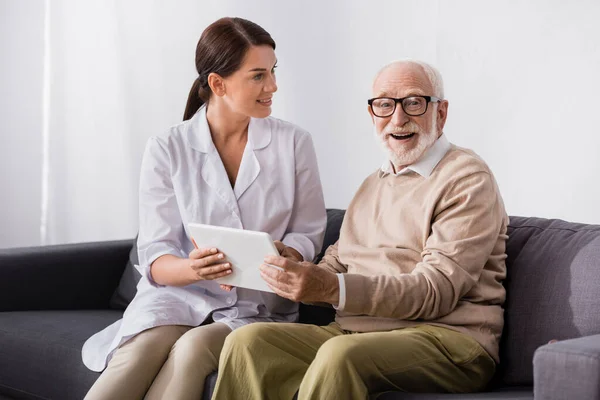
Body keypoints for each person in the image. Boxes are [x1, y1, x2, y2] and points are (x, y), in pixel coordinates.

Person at [211, 60, 509, 400]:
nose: (398, 118)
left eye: (414, 102)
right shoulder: (373, 184)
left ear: (440, 113)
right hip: (356, 332)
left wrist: (330, 288)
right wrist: (281, 269)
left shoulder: (466, 178)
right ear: (372, 115)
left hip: (449, 340)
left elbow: (436, 290)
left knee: (340, 356)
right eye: (384, 104)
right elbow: (337, 265)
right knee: (248, 342)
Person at [81, 17, 326, 400]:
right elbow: (156, 256)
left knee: (189, 352)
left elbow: (308, 232)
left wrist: (282, 253)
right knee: (138, 354)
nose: (273, 85)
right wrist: (194, 268)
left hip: (256, 305)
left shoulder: (294, 142)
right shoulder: (167, 148)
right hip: (179, 296)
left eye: (273, 71)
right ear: (218, 83)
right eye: (258, 75)